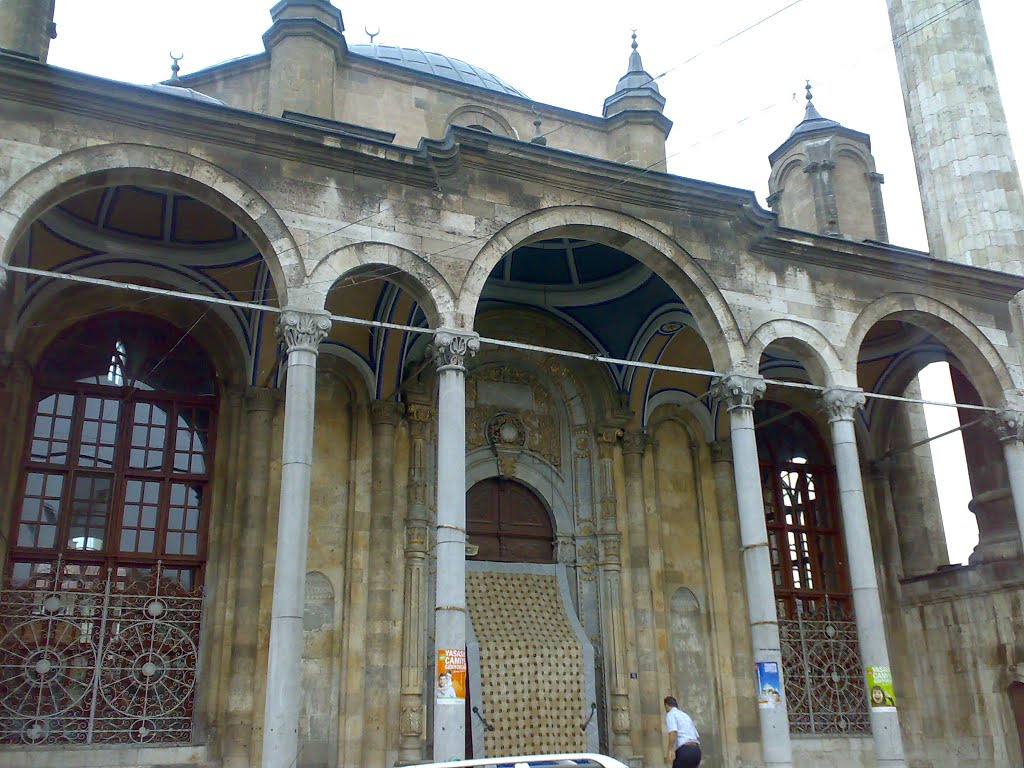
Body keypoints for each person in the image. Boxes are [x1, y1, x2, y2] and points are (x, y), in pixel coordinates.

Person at [664, 695, 701, 768]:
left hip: (685, 750)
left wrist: (670, 750)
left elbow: (673, 732)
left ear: (666, 705)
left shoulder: (671, 714)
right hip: (696, 751)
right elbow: (696, 735)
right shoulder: (686, 715)